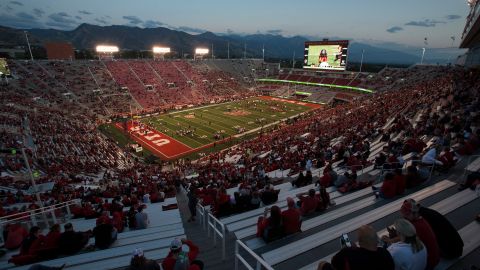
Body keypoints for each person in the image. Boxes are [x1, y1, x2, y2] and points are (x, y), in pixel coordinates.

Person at [399, 199, 440, 270]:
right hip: (435, 258)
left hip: (429, 262)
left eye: (406, 216)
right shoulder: (421, 220)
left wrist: (390, 240)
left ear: (414, 213)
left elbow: (404, 240)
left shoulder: (415, 226)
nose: (404, 218)